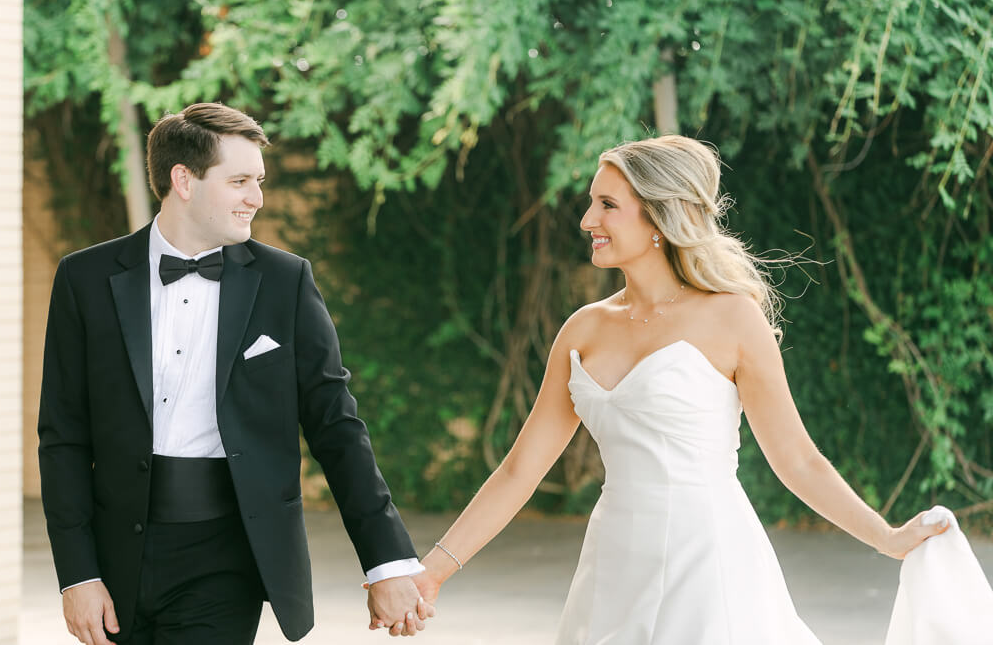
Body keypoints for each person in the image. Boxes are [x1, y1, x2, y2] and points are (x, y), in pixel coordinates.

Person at [408, 135, 952, 643]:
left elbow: (798, 461)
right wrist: (431, 573)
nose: (586, 219)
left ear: (659, 219)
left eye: (607, 205)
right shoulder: (583, 329)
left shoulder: (733, 318)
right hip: (613, 565)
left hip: (710, 563)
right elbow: (518, 470)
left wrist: (886, 537)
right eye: (591, 203)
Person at [38, 103, 432, 645]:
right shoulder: (85, 278)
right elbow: (62, 436)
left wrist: (386, 562)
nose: (257, 197)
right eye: (240, 180)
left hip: (226, 556)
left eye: (259, 181)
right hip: (114, 552)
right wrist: (77, 574)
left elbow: (336, 426)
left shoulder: (285, 282)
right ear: (183, 180)